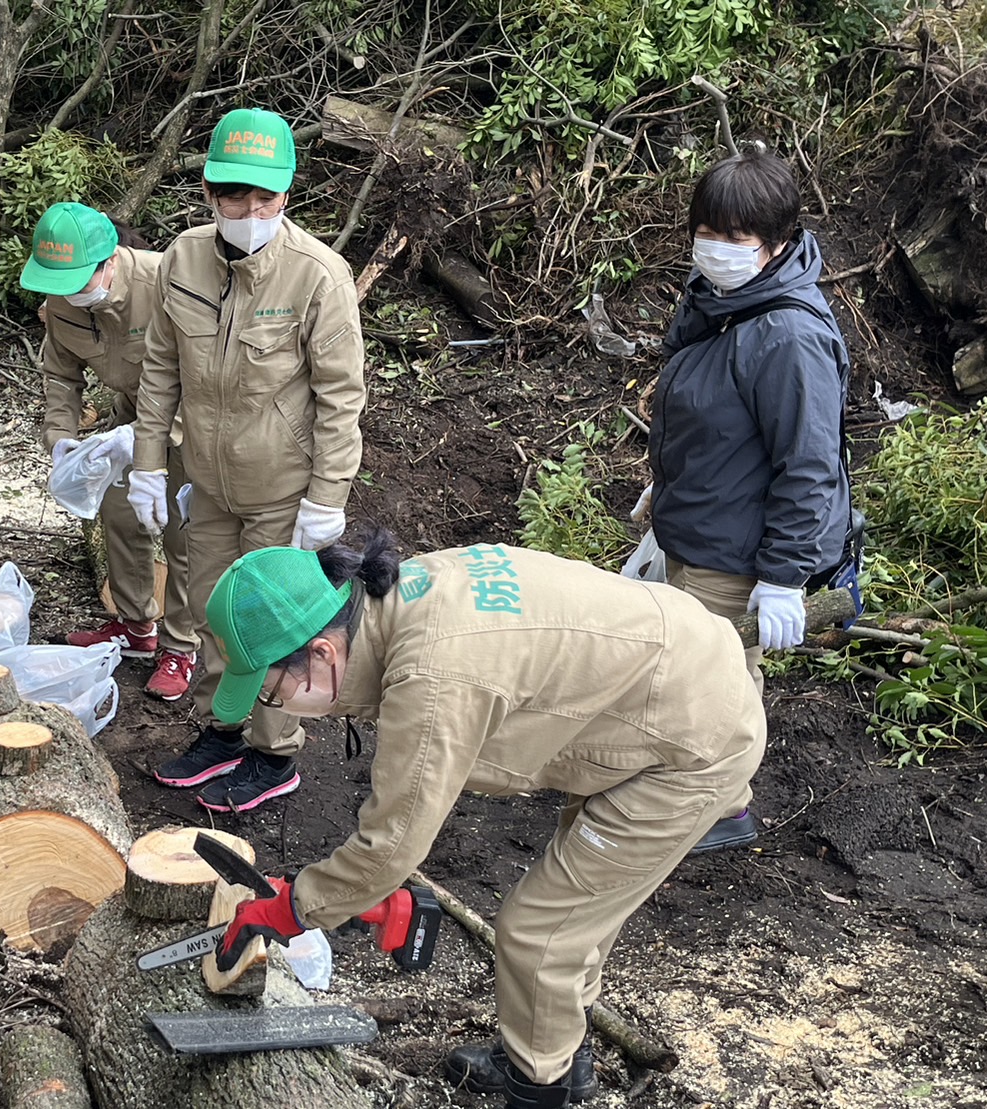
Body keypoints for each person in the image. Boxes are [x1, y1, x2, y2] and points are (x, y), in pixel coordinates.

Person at [204, 533, 766, 1108]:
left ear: (322, 651)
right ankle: (557, 1055)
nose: (274, 705)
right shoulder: (397, 603)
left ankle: (538, 1091)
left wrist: (296, 907)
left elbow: (393, 843)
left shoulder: (431, 675)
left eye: (272, 692)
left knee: (540, 931)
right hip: (645, 692)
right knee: (572, 920)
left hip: (691, 741)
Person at [128, 106, 366, 812]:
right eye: (236, 194)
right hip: (208, 482)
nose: (250, 209)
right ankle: (221, 729)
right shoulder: (182, 258)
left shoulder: (317, 276)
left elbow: (340, 397)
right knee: (208, 609)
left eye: (265, 196)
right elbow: (160, 370)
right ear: (209, 191)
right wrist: (146, 461)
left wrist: (327, 496)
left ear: (286, 193)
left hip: (282, 490)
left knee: (268, 626)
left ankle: (274, 751)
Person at [637, 146, 852, 851]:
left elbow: (807, 464)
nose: (716, 248)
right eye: (707, 231)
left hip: (734, 552)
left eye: (735, 237)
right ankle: (693, 793)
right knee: (683, 672)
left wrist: (784, 576)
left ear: (778, 241)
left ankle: (722, 806)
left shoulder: (785, 333)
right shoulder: (723, 302)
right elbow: (716, 422)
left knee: (717, 680)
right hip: (695, 529)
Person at [20, 201, 199, 701]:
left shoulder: (168, 281)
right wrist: (62, 441)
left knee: (184, 532)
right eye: (59, 284)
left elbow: (210, 376)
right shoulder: (62, 298)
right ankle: (137, 626)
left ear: (111, 261)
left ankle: (180, 647)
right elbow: (60, 374)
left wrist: (153, 437)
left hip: (196, 422)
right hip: (130, 416)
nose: (70, 294)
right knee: (120, 515)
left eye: (79, 280)